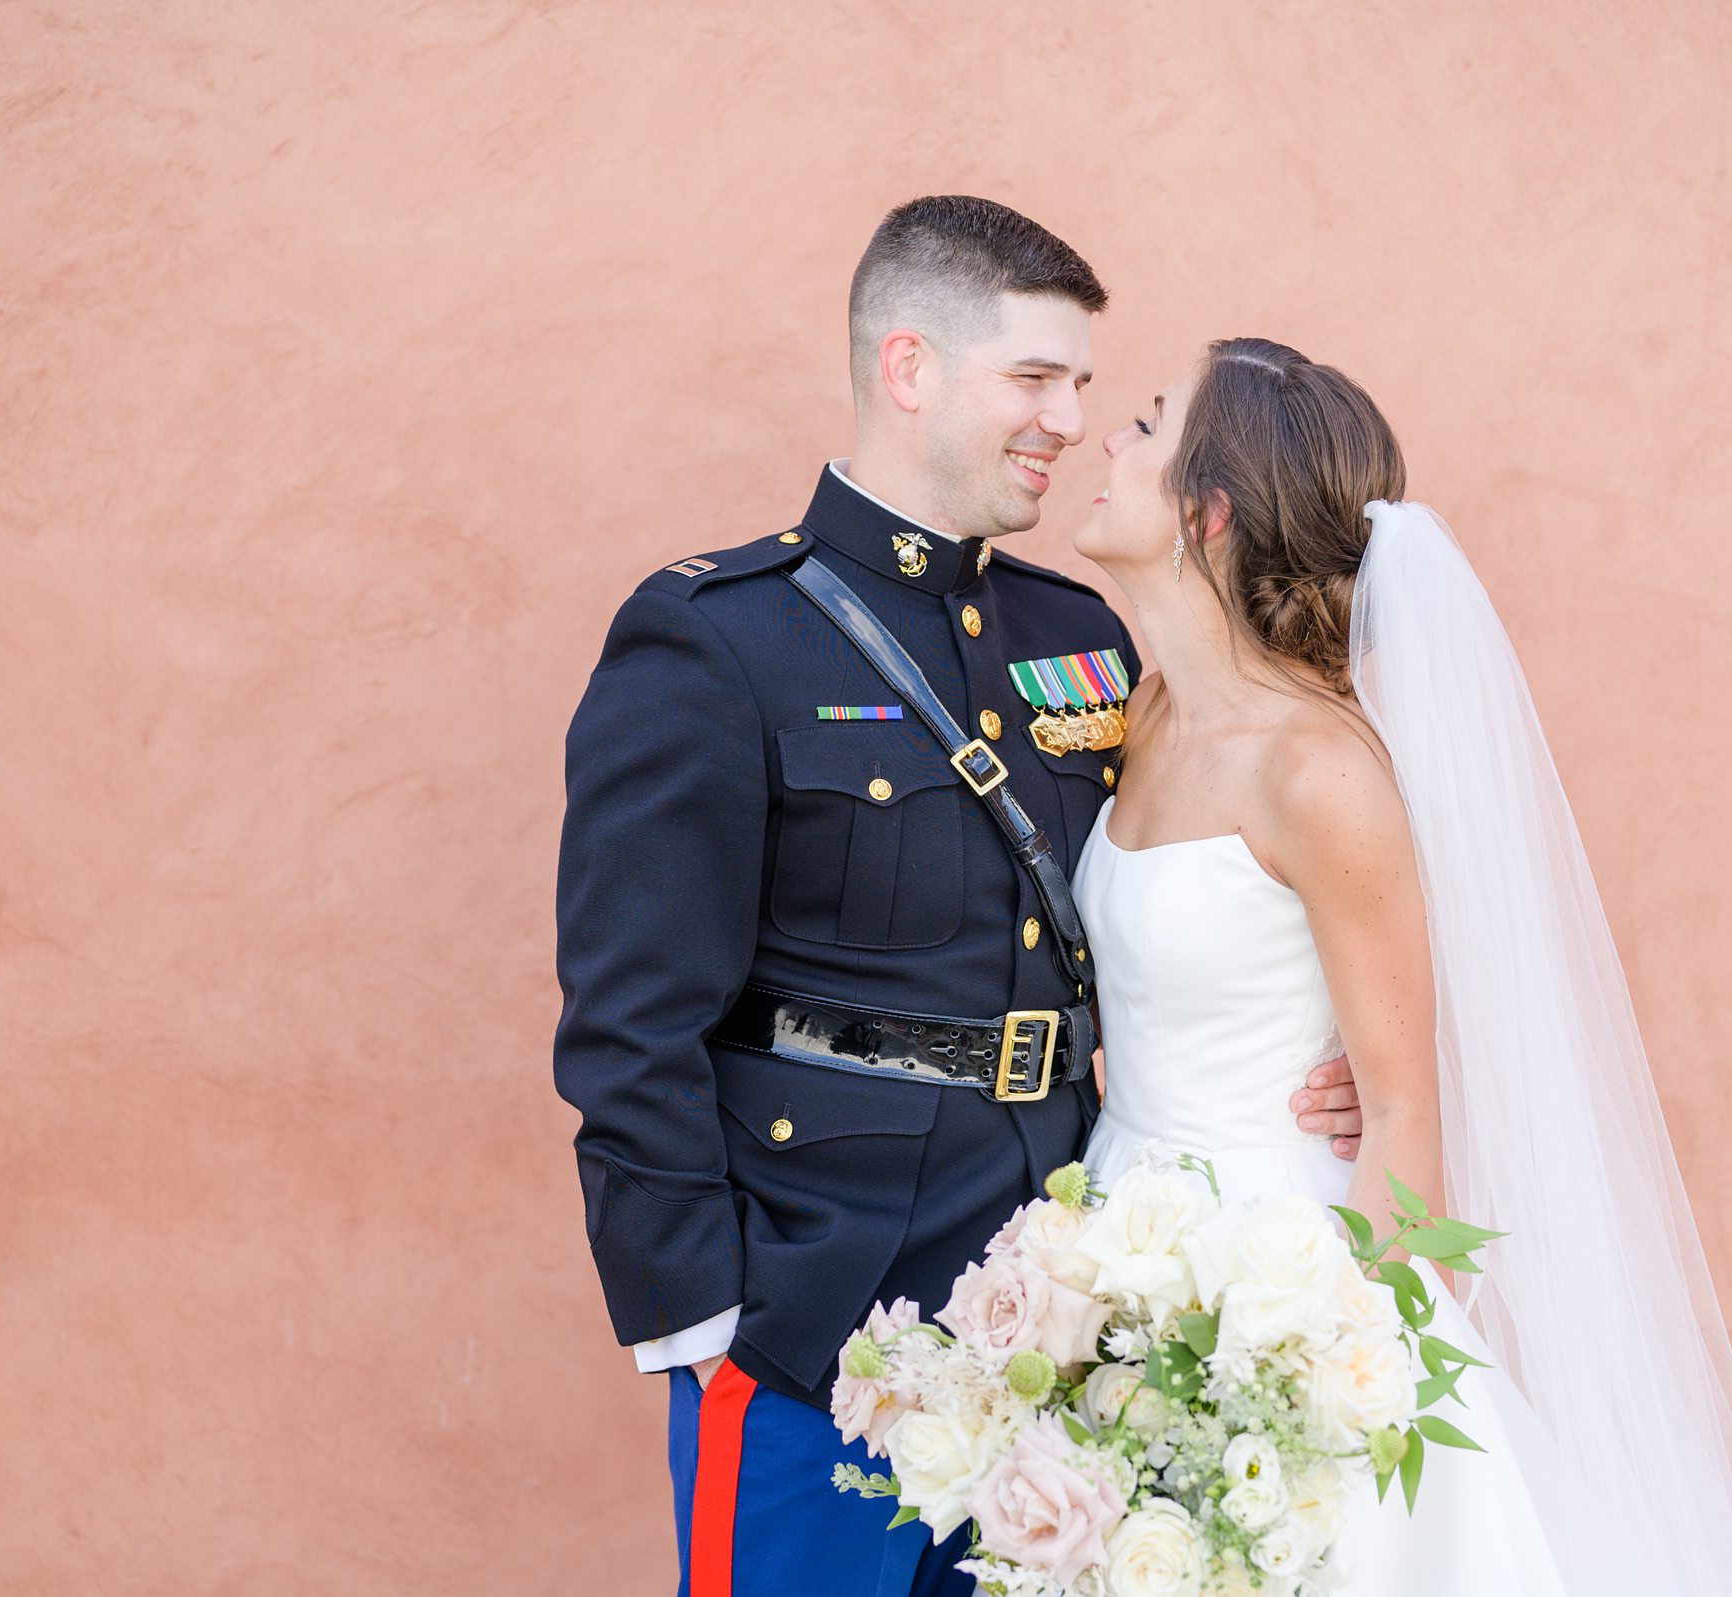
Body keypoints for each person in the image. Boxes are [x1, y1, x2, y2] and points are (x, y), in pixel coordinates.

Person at [551, 204, 1366, 1597]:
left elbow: (1200, 883)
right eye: (1035, 379)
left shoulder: (1081, 636)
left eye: (1086, 387)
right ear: (910, 367)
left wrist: (1316, 1052)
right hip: (818, 1326)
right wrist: (710, 1317)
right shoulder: (717, 638)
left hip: (1072, 1320)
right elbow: (628, 1022)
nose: (1070, 419)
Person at [1072, 337, 1732, 1594]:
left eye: (1145, 427)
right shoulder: (1143, 715)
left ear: (1206, 511)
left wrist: (1293, 1393)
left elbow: (1404, 1122)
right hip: (1120, 1234)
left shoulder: (1321, 772)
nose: (1107, 442)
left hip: (1274, 1285)